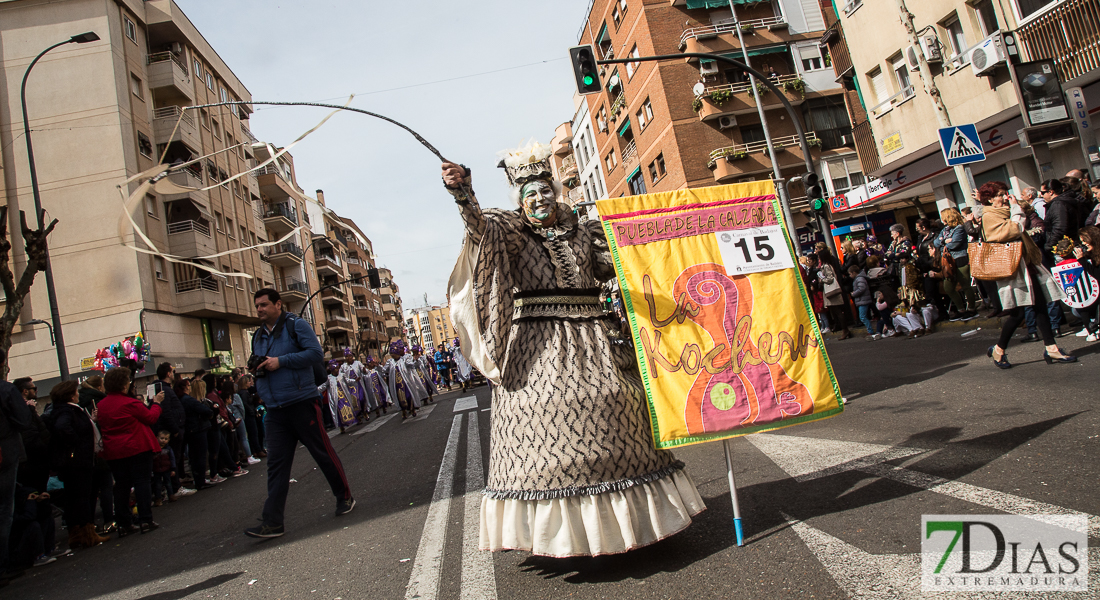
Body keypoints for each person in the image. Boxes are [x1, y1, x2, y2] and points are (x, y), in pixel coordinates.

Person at [442, 144, 704, 558]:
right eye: (529, 194)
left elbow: (618, 261)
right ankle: (562, 537)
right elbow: (480, 229)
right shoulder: (510, 231)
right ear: (520, 200)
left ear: (556, 191)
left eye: (544, 190)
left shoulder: (583, 230)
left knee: (624, 402)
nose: (538, 199)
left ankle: (632, 527)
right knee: (542, 412)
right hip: (536, 344)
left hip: (597, 337)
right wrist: (464, 194)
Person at [246, 288, 354, 538]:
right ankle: (272, 521)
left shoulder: (296, 325)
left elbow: (316, 354)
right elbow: (262, 360)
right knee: (276, 466)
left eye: (264, 305)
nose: (260, 310)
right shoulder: (258, 335)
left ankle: (344, 496)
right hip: (274, 409)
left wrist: (280, 361)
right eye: (257, 306)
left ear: (278, 304)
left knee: (322, 453)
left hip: (301, 402)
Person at [981, 186, 1075, 368]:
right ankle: (998, 350)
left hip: (1027, 263)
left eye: (1004, 193)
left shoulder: (1005, 211)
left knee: (1040, 306)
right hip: (1013, 269)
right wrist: (1017, 208)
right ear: (990, 199)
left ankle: (1051, 348)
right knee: (1017, 314)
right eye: (999, 195)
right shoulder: (990, 215)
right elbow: (1015, 229)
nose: (1005, 197)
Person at [97, 367, 163, 536]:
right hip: (136, 446)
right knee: (142, 482)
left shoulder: (102, 405)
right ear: (124, 385)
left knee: (121, 486)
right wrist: (156, 404)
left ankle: (124, 523)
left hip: (114, 450)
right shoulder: (130, 403)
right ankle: (145, 519)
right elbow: (150, 418)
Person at [44, 381, 107, 548]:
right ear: (71, 395)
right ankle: (86, 532)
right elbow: (63, 428)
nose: (79, 394)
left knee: (76, 497)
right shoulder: (67, 411)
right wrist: (78, 444)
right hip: (78, 461)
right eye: (76, 392)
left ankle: (78, 533)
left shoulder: (63, 410)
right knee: (83, 496)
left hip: (76, 461)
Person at [0, 350, 32, 583]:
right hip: (4, 455)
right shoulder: (5, 389)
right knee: (3, 512)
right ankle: (2, 565)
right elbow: (23, 420)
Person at [76, 376, 117, 533]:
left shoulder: (79, 402)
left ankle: (90, 523)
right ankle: (109, 520)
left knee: (91, 489)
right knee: (106, 485)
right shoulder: (98, 400)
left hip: (86, 450)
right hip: (99, 447)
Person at [934, 207, 977, 318]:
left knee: (965, 285)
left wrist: (944, 242)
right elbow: (936, 243)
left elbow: (955, 244)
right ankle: (961, 309)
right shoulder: (945, 230)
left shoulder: (960, 228)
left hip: (960, 258)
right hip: (948, 261)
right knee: (948, 287)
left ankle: (972, 309)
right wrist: (945, 241)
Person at [153, 363, 186, 493]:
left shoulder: (164, 389)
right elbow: (166, 412)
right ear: (168, 373)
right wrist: (175, 430)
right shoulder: (164, 390)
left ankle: (174, 486)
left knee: (175, 458)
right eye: (172, 372)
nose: (173, 374)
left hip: (172, 429)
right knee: (173, 460)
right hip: (172, 431)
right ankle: (175, 488)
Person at [176, 377, 214, 489]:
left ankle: (199, 479)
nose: (189, 388)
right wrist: (210, 412)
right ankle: (200, 480)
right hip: (197, 428)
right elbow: (205, 410)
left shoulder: (180, 399)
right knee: (200, 456)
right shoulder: (188, 400)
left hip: (190, 430)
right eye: (188, 386)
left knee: (194, 456)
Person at [1070, 226, 1100, 342]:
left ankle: (1092, 329)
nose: (1084, 244)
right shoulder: (1094, 253)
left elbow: (1097, 274)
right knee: (1078, 307)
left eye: (1084, 240)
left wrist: (1082, 260)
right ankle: (1092, 328)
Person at [816, 243, 852, 339]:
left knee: (837, 311)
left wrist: (821, 279)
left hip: (831, 291)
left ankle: (845, 330)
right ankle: (844, 329)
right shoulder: (828, 264)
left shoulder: (826, 266)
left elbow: (830, 278)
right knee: (836, 311)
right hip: (831, 290)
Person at [384, 341, 425, 420]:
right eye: (392, 355)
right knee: (400, 398)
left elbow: (412, 365)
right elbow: (384, 370)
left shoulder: (405, 359)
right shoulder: (390, 362)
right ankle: (403, 411)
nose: (393, 357)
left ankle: (412, 408)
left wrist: (415, 361)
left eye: (395, 355)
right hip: (397, 384)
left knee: (408, 396)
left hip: (406, 382)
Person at [849, 265, 876, 339]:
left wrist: (854, 293)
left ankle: (870, 330)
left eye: (850, 274)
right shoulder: (859, 278)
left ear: (854, 272)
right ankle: (869, 330)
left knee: (862, 316)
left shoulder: (859, 279)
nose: (850, 276)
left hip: (863, 300)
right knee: (863, 316)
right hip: (862, 300)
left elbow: (862, 288)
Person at [151, 431, 177, 505]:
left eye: (166, 439)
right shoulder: (154, 449)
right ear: (157, 438)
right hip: (156, 470)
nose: (163, 440)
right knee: (157, 485)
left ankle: (171, 495)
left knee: (168, 483)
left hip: (166, 469)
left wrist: (173, 469)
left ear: (168, 440)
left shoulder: (168, 449)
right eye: (162, 438)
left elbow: (172, 459)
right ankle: (158, 499)